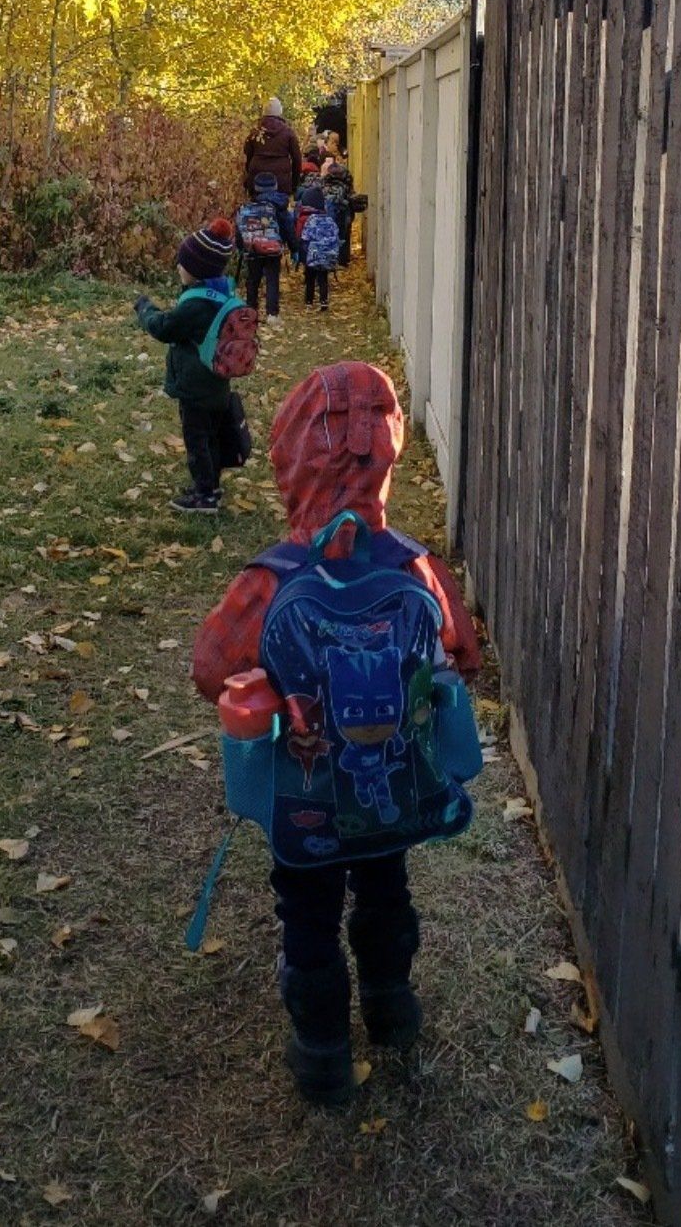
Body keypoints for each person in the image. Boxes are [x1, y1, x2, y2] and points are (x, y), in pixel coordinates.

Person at [192, 362, 481, 1105]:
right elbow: (462, 655)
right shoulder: (415, 566)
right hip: (394, 794)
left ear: (291, 457)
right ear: (388, 455)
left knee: (308, 911)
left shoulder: (274, 578)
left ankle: (321, 1049)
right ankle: (392, 1006)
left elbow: (209, 668)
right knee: (387, 888)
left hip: (307, 797)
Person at [133, 218, 246, 515]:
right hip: (218, 384)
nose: (178, 268)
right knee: (212, 437)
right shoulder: (223, 295)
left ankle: (204, 494)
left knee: (197, 440)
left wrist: (146, 309)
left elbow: (165, 328)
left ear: (196, 269)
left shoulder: (196, 305)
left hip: (195, 388)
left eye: (182, 263)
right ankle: (213, 486)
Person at [236, 172, 296, 323]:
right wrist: (294, 247)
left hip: (253, 248)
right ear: (275, 186)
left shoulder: (247, 207)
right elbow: (287, 227)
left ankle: (251, 312)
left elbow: (239, 230)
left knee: (253, 280)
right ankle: (272, 313)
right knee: (272, 279)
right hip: (273, 249)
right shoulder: (279, 206)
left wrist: (241, 247)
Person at [244, 96, 302, 197]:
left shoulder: (255, 132)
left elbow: (247, 154)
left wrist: (249, 176)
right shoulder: (288, 132)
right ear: (280, 112)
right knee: (280, 208)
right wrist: (294, 184)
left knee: (256, 207)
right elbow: (297, 159)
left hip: (257, 178)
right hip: (281, 181)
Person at [295, 180, 338, 310]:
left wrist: (302, 253)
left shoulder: (309, 220)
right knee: (323, 278)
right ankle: (324, 301)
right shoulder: (329, 220)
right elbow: (336, 235)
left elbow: (304, 237)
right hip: (326, 254)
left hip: (312, 255)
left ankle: (309, 301)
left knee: (310, 278)